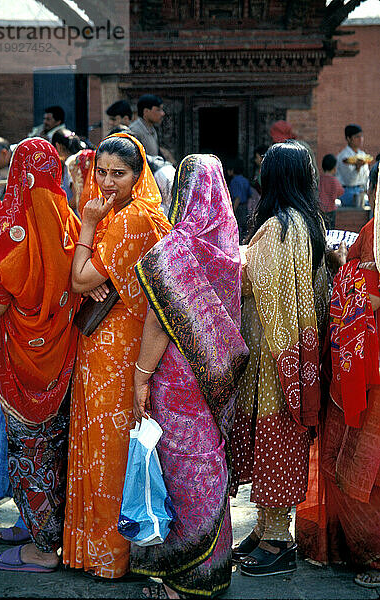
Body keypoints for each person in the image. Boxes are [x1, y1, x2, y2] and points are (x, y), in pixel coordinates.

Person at [131, 154, 249, 598]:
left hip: (177, 382)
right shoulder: (230, 247)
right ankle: (213, 570)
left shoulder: (175, 249)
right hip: (216, 379)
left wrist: (141, 375)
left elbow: (159, 323)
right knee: (209, 463)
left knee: (183, 471)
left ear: (181, 193)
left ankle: (181, 580)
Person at [62, 133, 171, 580]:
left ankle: (110, 557)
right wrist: (92, 266)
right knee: (98, 444)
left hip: (118, 350)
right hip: (104, 346)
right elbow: (90, 275)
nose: (107, 182)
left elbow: (81, 278)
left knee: (108, 449)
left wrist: (88, 227)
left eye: (118, 174)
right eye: (100, 173)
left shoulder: (131, 221)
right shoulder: (123, 213)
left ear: (138, 175)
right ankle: (97, 550)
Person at [0, 137, 81, 572]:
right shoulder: (72, 222)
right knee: (57, 448)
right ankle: (42, 528)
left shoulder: (11, 228)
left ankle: (42, 548)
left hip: (22, 361)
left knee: (29, 451)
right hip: (63, 357)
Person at [231, 140, 328, 576]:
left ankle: (278, 539)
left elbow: (254, 285)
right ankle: (267, 526)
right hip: (294, 350)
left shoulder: (279, 227)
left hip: (275, 355)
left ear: (271, 178)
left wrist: (235, 261)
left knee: (274, 439)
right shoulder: (307, 222)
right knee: (277, 439)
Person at [297, 160, 380, 590]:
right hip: (363, 365)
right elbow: (357, 282)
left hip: (370, 369)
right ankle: (360, 548)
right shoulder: (370, 234)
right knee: (350, 462)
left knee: (365, 464)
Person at [336, 124, 371, 207]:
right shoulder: (343, 157)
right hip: (347, 191)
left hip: (362, 190)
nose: (360, 139)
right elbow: (349, 181)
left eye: (361, 136)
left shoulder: (362, 155)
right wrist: (357, 167)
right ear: (348, 139)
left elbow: (366, 176)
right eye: (357, 137)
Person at [51, 128, 84, 210]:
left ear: (58, 146)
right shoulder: (80, 159)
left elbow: (77, 199)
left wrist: (60, 210)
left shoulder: (71, 163)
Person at [227, 158, 252, 243]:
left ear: (232, 170)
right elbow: (250, 195)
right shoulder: (245, 180)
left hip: (238, 207)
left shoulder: (234, 181)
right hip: (245, 207)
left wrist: (233, 210)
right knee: (245, 227)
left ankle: (239, 243)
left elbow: (237, 198)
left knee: (238, 227)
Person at [319, 154, 344, 229]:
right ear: (334, 168)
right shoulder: (334, 181)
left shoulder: (319, 179)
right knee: (330, 230)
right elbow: (341, 191)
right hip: (331, 210)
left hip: (320, 209)